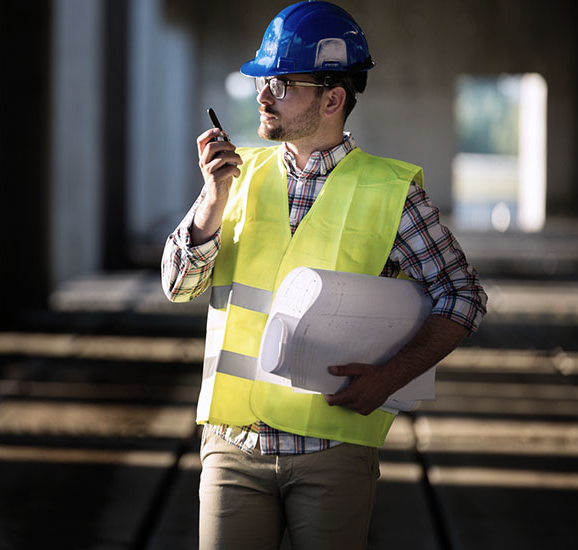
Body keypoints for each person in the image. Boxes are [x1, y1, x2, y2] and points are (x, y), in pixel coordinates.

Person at [160, 2, 488, 549]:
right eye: (264, 80)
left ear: (333, 98)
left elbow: (462, 295)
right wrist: (210, 203)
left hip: (332, 452)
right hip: (232, 447)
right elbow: (179, 285)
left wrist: (391, 376)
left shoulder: (391, 192)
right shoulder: (233, 177)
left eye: (283, 83)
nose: (263, 95)